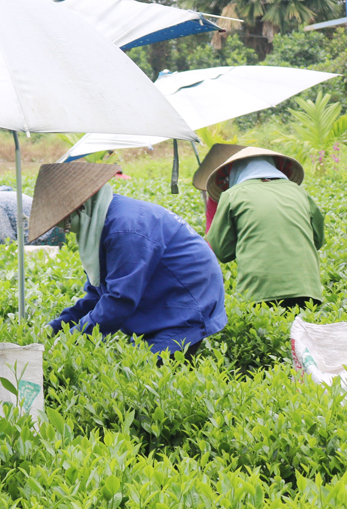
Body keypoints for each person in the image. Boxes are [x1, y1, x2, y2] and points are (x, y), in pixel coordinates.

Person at [30, 162, 227, 359]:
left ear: (81, 207)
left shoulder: (124, 227)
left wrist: (71, 340)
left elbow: (119, 299)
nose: (67, 228)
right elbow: (97, 293)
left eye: (66, 221)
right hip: (161, 300)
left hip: (184, 306)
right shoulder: (100, 221)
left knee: (151, 372)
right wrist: (55, 328)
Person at [194, 145, 325, 309]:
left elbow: (222, 252)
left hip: (258, 292)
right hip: (307, 289)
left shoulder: (232, 195)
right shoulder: (299, 192)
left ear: (233, 172)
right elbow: (317, 240)